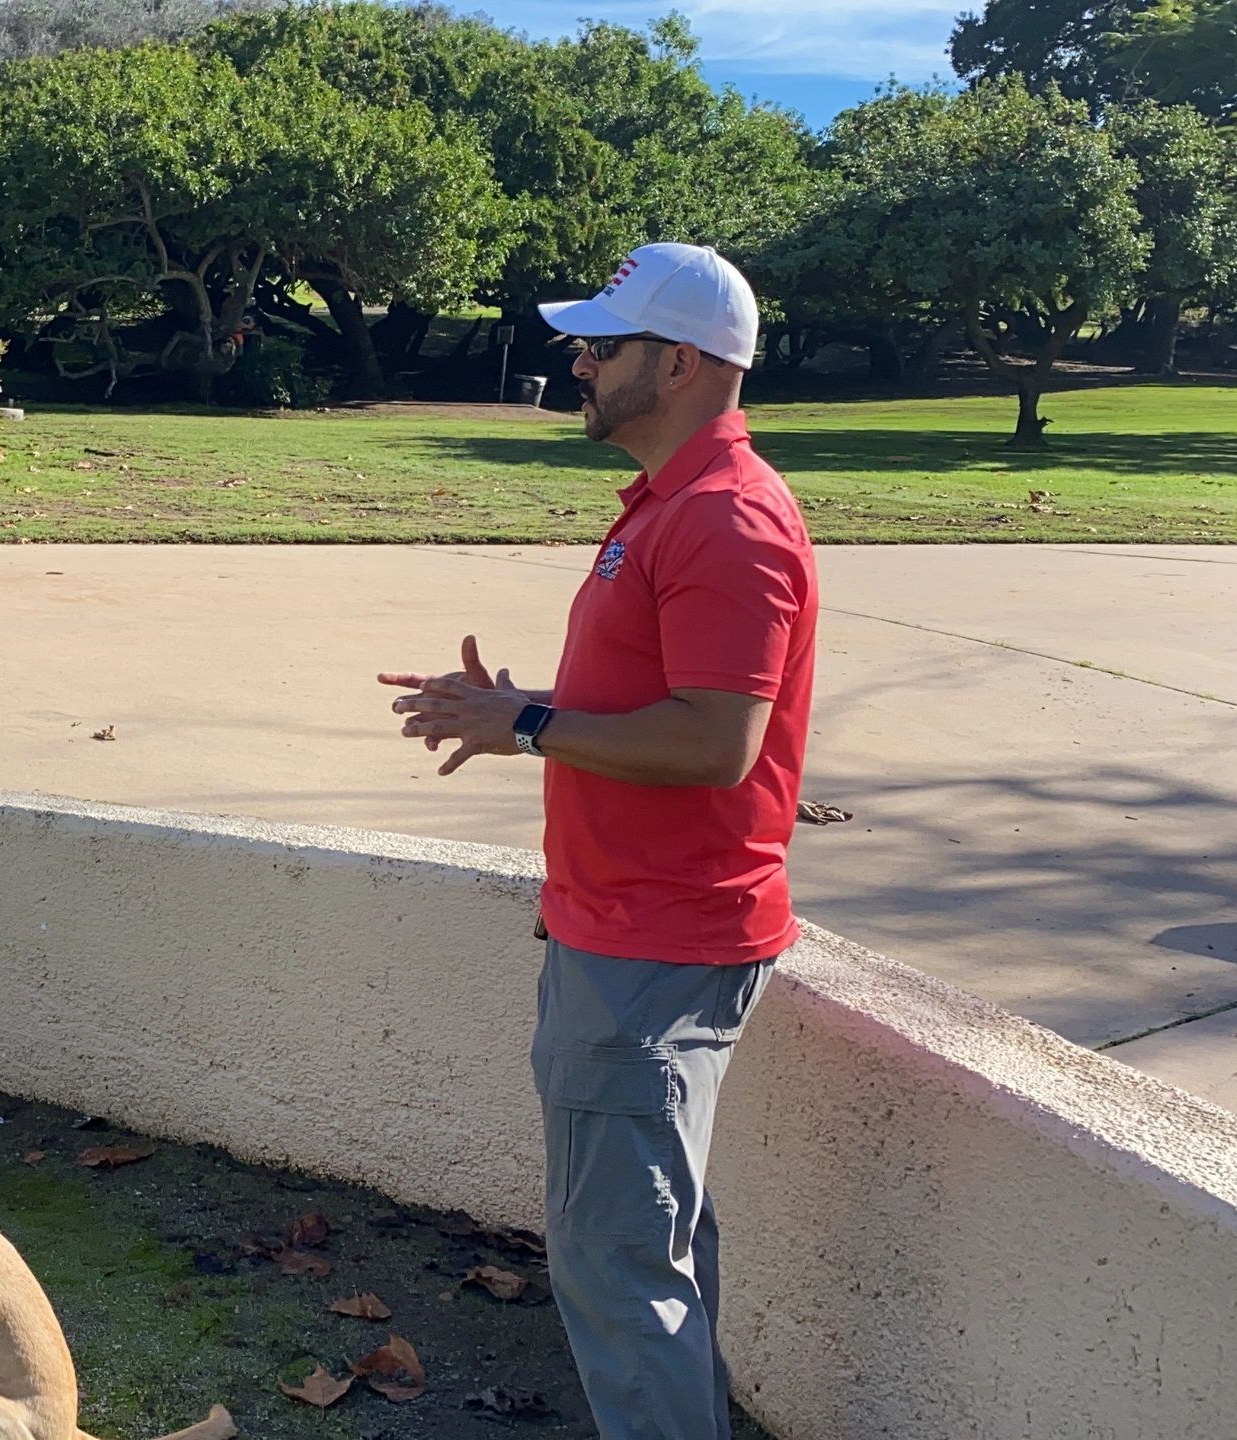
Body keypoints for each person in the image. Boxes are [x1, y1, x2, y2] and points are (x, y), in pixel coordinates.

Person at [379, 242, 818, 1440]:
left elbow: (717, 742)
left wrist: (526, 723)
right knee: (643, 1247)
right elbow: (659, 714)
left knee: (618, 1267)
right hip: (624, 930)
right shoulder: (669, 506)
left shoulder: (726, 520)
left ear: (679, 363)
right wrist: (523, 716)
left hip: (656, 948)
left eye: (602, 345)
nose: (576, 362)